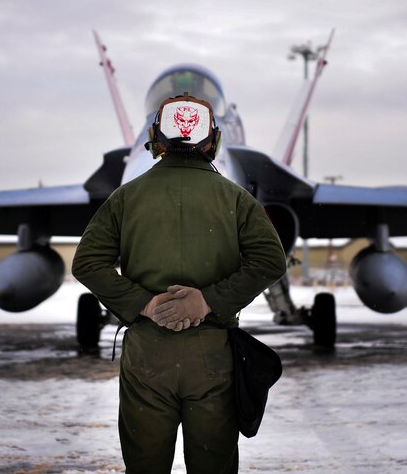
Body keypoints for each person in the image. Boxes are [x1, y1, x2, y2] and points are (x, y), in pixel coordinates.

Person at [72, 92, 287, 474]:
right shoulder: (237, 200)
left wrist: (146, 304)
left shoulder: (125, 198)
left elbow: (87, 262)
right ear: (213, 141)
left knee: (145, 466)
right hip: (214, 356)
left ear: (155, 139)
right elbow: (271, 260)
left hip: (147, 356)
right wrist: (207, 302)